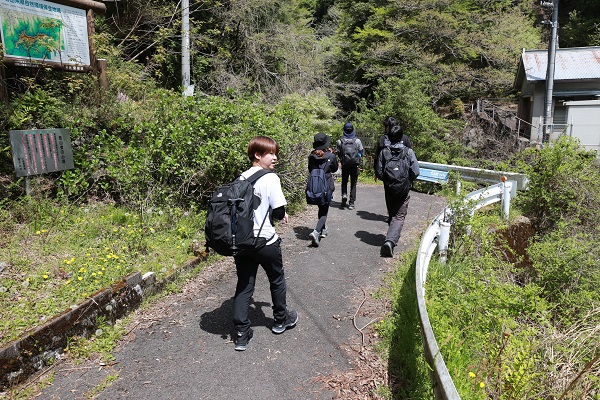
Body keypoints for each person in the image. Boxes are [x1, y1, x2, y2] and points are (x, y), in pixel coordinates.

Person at [232, 136, 298, 351]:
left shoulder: (241, 177)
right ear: (257, 155)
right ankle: (280, 320)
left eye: (275, 153)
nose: (275, 157)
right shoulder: (271, 178)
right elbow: (278, 212)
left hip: (242, 243)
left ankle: (241, 333)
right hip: (265, 241)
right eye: (271, 153)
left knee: (244, 285)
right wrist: (283, 213)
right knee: (277, 279)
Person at [376, 125, 420, 257]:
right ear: (401, 137)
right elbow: (416, 172)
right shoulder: (408, 152)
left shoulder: (384, 152)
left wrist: (388, 180)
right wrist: (407, 179)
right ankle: (390, 241)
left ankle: (391, 235)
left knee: (392, 213)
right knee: (399, 216)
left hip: (389, 188)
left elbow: (379, 172)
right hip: (403, 188)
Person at [307, 132, 338, 247]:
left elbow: (310, 170)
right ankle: (316, 232)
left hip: (315, 186)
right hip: (327, 186)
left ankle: (323, 230)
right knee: (324, 211)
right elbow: (334, 169)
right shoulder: (331, 156)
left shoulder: (311, 156)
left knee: (321, 207)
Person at [373, 116, 413, 182]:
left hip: (388, 174)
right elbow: (411, 157)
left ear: (388, 127)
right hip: (403, 175)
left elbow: (377, 157)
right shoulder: (405, 138)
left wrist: (377, 171)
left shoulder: (383, 139)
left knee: (389, 191)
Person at [336, 122, 363, 210]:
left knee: (344, 182)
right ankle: (351, 203)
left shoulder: (340, 141)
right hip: (354, 165)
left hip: (345, 165)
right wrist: (357, 158)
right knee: (353, 183)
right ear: (352, 130)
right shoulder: (357, 141)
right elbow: (361, 152)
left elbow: (338, 153)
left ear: (344, 130)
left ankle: (344, 195)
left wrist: (342, 160)